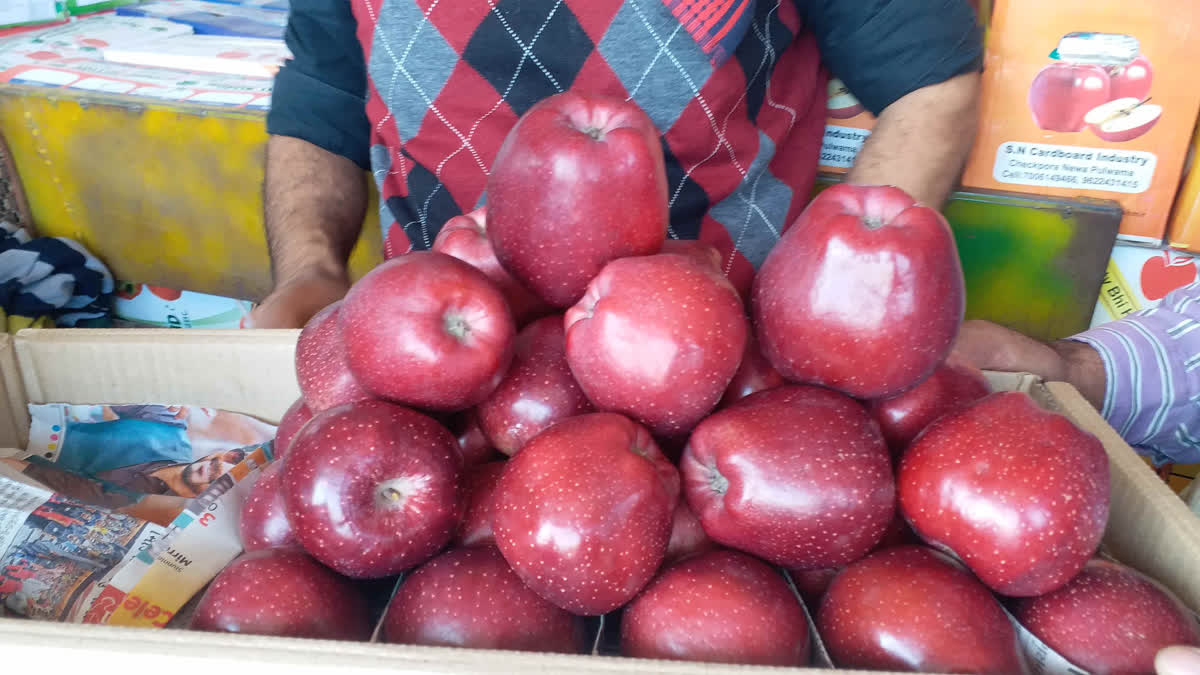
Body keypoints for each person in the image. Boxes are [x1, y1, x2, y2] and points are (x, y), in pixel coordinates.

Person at [248, 0, 985, 329]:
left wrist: (825, 318)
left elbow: (929, 89)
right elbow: (325, 86)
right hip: (430, 340)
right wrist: (310, 271)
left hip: (713, 357)